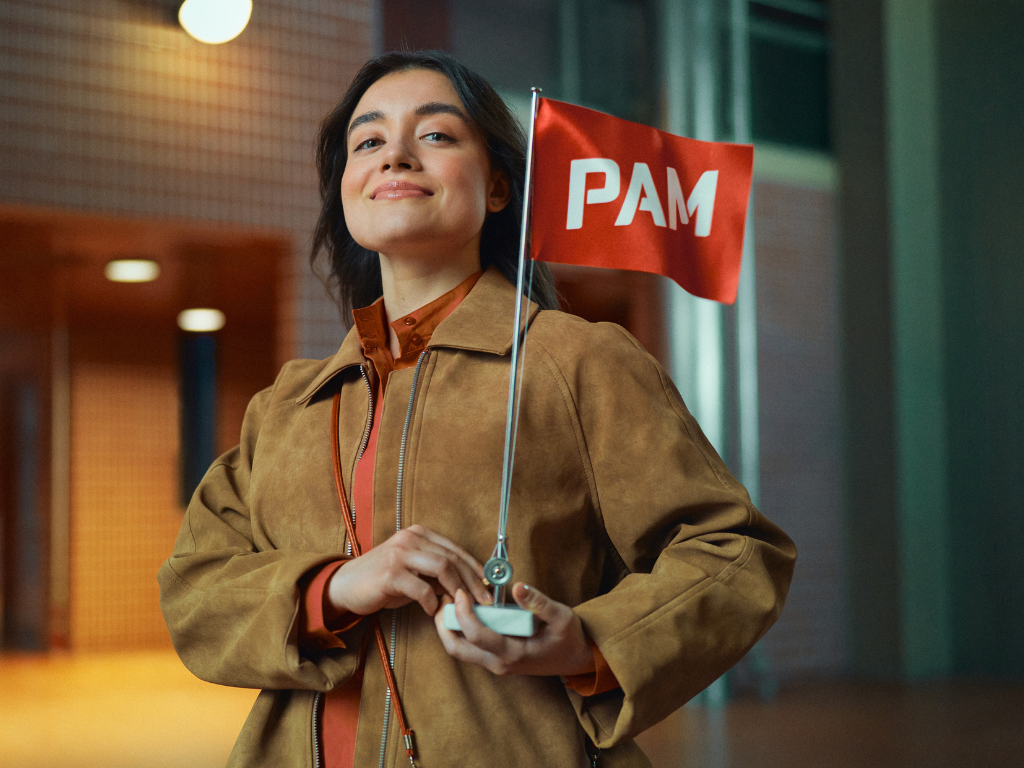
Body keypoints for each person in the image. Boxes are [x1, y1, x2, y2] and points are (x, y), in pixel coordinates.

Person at [159, 50, 796, 768]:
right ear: (345, 188)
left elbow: (736, 554)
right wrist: (337, 586)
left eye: (435, 135)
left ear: (498, 187)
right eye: (367, 141)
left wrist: (586, 642)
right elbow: (194, 590)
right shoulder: (288, 404)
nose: (394, 154)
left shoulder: (574, 361)